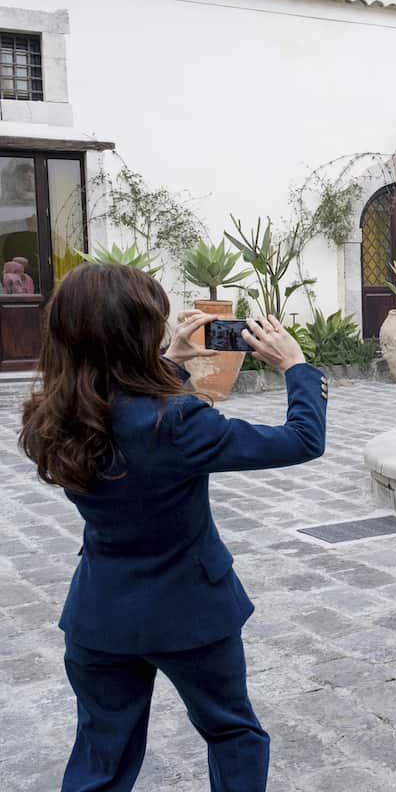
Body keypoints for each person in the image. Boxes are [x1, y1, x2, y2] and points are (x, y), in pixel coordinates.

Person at [19, 263, 327, 792]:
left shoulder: (53, 413)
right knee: (233, 735)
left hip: (101, 614)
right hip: (191, 612)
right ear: (135, 334)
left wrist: (170, 364)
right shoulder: (178, 423)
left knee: (101, 759)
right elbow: (301, 439)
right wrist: (297, 366)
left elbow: (122, 409)